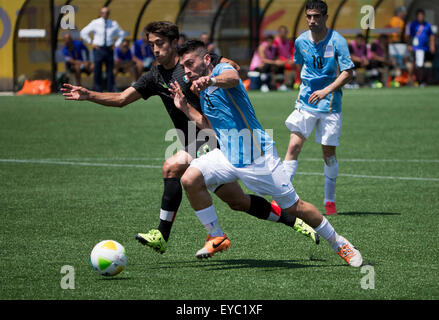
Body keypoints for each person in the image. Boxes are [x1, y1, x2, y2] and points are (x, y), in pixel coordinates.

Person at [61, 21, 319, 255]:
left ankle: (172, 235)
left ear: (174, 43)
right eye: (151, 45)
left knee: (172, 167)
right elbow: (120, 99)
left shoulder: (196, 65)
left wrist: (215, 75)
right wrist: (89, 94)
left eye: (160, 44)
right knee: (237, 202)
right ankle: (292, 220)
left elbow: (232, 69)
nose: (155, 50)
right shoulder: (154, 76)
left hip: (215, 140)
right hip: (194, 143)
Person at [169, 40, 362, 267]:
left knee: (294, 207)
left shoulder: (221, 71)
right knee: (190, 178)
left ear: (207, 60)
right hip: (227, 156)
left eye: (191, 64)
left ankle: (339, 243)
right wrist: (184, 108)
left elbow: (232, 78)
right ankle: (216, 235)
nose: (188, 71)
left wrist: (210, 79)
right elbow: (211, 127)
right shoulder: (198, 89)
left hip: (258, 157)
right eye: (184, 67)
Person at [283, 0, 354, 216]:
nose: (312, 21)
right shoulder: (301, 41)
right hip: (306, 102)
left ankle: (329, 201)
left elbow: (348, 72)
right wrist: (303, 87)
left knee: (328, 154)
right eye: (309, 16)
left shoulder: (338, 41)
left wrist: (326, 90)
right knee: (293, 146)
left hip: (330, 104)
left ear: (325, 17)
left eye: (316, 16)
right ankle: (282, 199)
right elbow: (300, 64)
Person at [80, 6, 125, 92]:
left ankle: (110, 89)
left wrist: (116, 44)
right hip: (98, 49)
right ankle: (97, 89)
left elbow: (121, 34)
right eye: (104, 12)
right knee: (97, 70)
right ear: (100, 13)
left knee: (110, 71)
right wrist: (91, 42)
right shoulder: (95, 22)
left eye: (107, 12)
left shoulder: (113, 23)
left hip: (109, 49)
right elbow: (83, 32)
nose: (105, 14)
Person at [409, 8, 436, 86]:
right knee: (417, 64)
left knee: (422, 65)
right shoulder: (413, 25)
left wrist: (432, 46)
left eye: (422, 15)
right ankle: (417, 80)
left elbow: (431, 36)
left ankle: (422, 80)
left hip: (425, 48)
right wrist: (410, 45)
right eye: (419, 15)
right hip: (416, 47)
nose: (420, 17)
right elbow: (410, 36)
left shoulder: (427, 25)